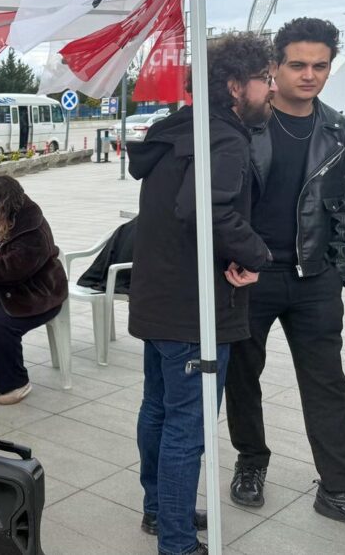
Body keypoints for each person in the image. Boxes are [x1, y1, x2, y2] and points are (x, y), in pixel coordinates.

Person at [223, 18, 345, 541]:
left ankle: (337, 488)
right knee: (244, 378)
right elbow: (225, 202)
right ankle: (251, 460)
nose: (309, 75)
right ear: (274, 66)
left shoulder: (339, 128)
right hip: (252, 275)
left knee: (327, 385)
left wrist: (336, 275)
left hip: (314, 280)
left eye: (319, 65)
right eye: (298, 65)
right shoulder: (246, 124)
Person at [127, 32, 276, 555]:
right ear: (236, 85)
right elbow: (204, 209)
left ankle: (158, 509)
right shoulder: (225, 138)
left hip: (159, 300)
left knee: (160, 412)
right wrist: (256, 254)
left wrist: (229, 253)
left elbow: (184, 216)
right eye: (266, 80)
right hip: (194, 313)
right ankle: (176, 541)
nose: (271, 90)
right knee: (185, 428)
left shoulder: (176, 131)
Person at [0, 175, 67, 404]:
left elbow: (13, 268)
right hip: (2, 288)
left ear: (5, 205)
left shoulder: (33, 228)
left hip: (35, 292)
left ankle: (15, 382)